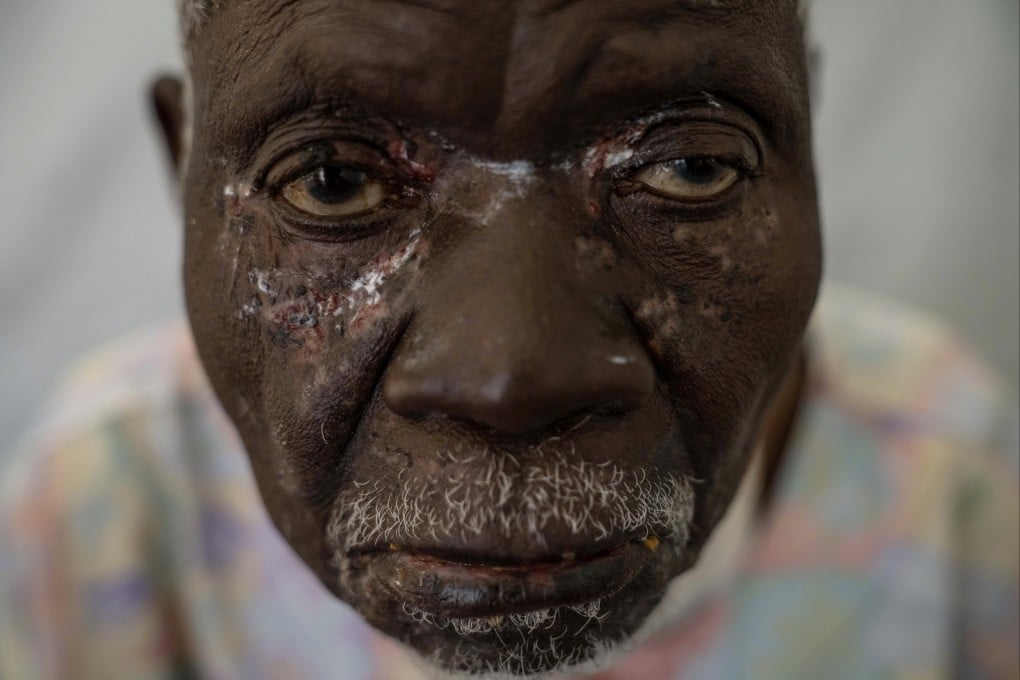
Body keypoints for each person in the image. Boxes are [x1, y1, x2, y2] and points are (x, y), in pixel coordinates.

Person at [1, 1, 1016, 678]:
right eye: (333, 181)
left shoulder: (947, 481)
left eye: (688, 169)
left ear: (805, 149)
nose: (510, 372)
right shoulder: (107, 505)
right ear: (187, 177)